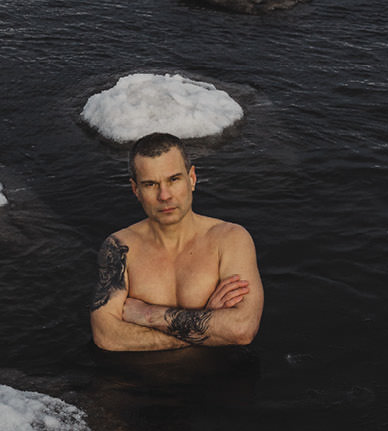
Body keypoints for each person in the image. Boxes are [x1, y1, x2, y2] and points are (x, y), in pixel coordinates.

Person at [90, 131, 263, 352]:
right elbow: (106, 336)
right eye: (151, 184)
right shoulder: (120, 247)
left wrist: (148, 315)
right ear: (136, 190)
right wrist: (206, 325)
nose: (164, 195)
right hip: (135, 382)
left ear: (192, 178)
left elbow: (242, 330)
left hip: (218, 380)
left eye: (173, 179)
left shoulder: (230, 239)